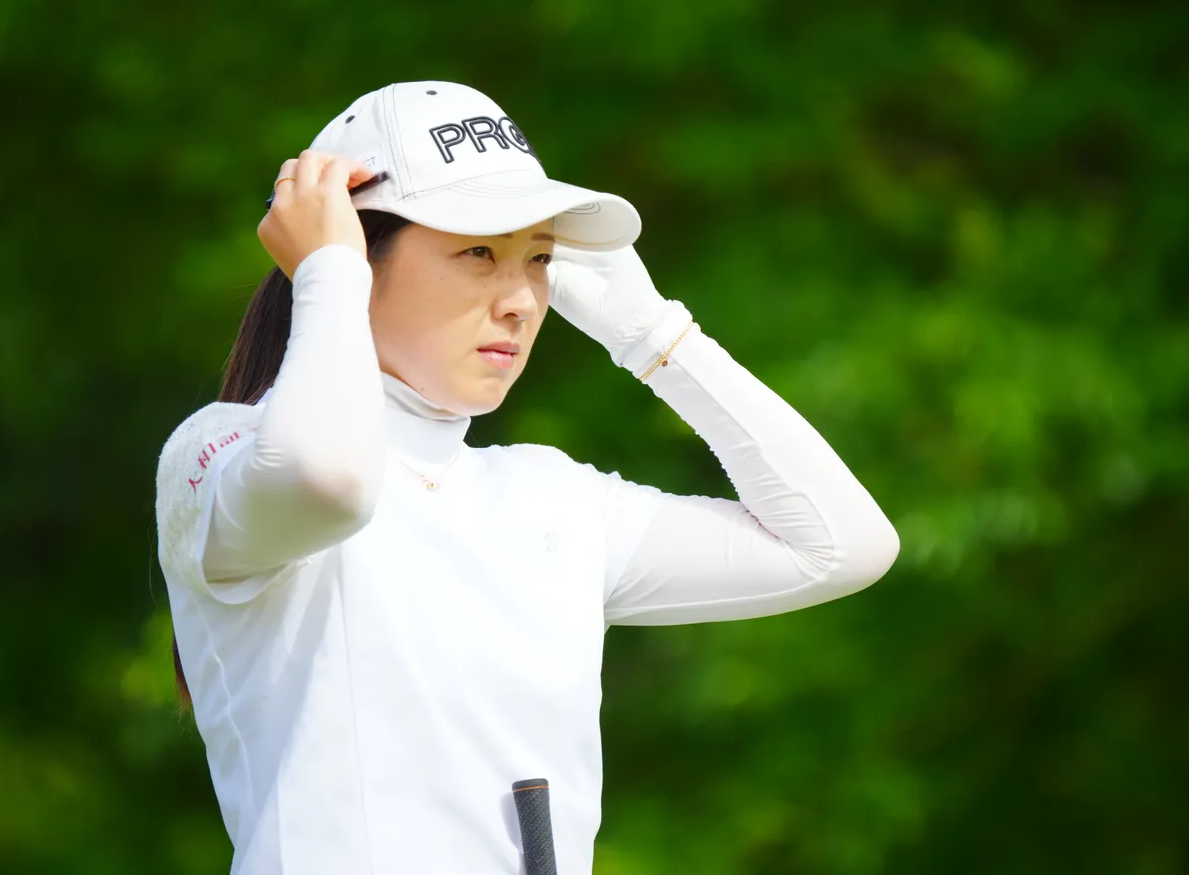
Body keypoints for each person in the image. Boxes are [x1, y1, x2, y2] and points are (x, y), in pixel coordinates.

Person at [154, 81, 900, 875]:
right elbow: (329, 480)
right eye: (478, 252)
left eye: (539, 258)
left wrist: (657, 337)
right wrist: (325, 275)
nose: (520, 300)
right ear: (358, 252)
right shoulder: (222, 451)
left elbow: (841, 546)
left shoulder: (552, 497)